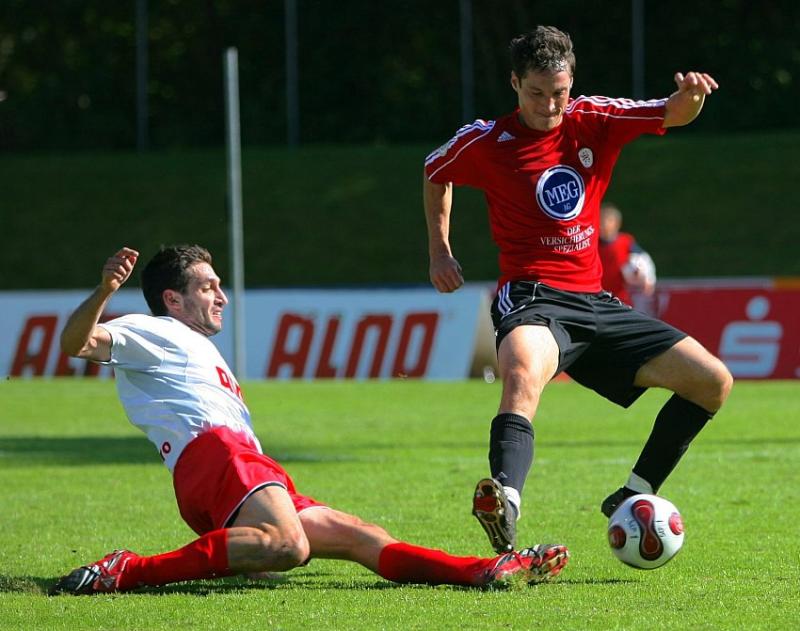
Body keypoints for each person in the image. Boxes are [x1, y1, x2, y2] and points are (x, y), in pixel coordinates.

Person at [50, 245, 569, 595]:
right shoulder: (154, 328)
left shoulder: (189, 345)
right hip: (218, 457)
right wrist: (104, 291)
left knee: (362, 536)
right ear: (173, 299)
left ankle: (483, 571)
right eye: (208, 287)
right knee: (289, 545)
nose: (222, 295)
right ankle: (128, 570)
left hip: (238, 464)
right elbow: (76, 343)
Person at [423, 26, 733, 554]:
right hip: (533, 297)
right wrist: (439, 249)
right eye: (536, 93)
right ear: (515, 84)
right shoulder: (485, 141)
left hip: (596, 302)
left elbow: (671, 112)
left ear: (572, 83)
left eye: (560, 93)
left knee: (712, 382)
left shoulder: (594, 118)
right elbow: (435, 171)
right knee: (521, 370)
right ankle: (506, 501)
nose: (549, 106)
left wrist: (691, 100)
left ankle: (634, 495)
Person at [598, 202, 656, 306]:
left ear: (617, 223)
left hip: (620, 298)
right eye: (601, 220)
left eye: (608, 220)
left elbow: (643, 258)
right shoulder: (592, 242)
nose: (603, 224)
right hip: (597, 296)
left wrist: (648, 279)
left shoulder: (625, 241)